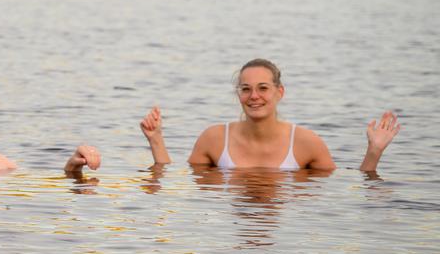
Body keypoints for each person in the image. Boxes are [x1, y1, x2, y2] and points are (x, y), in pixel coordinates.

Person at [140, 58, 401, 171]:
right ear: (238, 94)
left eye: (263, 88)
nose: (254, 96)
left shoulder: (306, 142)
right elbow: (173, 180)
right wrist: (156, 140)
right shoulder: (214, 138)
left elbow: (349, 189)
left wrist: (374, 152)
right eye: (246, 89)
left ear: (280, 92)